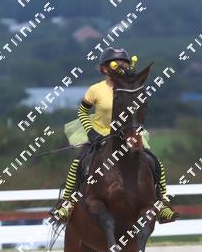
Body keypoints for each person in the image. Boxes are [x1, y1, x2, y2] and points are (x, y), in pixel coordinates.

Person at [50, 47, 179, 224]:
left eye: (124, 63)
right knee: (79, 163)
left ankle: (162, 204)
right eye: (116, 63)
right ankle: (66, 204)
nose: (121, 66)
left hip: (128, 134)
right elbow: (82, 111)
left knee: (154, 162)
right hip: (100, 135)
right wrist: (90, 131)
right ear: (104, 69)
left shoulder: (131, 88)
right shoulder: (95, 89)